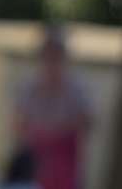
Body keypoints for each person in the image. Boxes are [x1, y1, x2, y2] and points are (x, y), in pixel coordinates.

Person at [12, 25, 93, 189]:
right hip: (34, 161)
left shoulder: (76, 87)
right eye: (47, 53)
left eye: (55, 54)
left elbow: (90, 119)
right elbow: (14, 121)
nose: (51, 59)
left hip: (65, 164)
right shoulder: (28, 86)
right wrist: (40, 133)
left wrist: (60, 130)